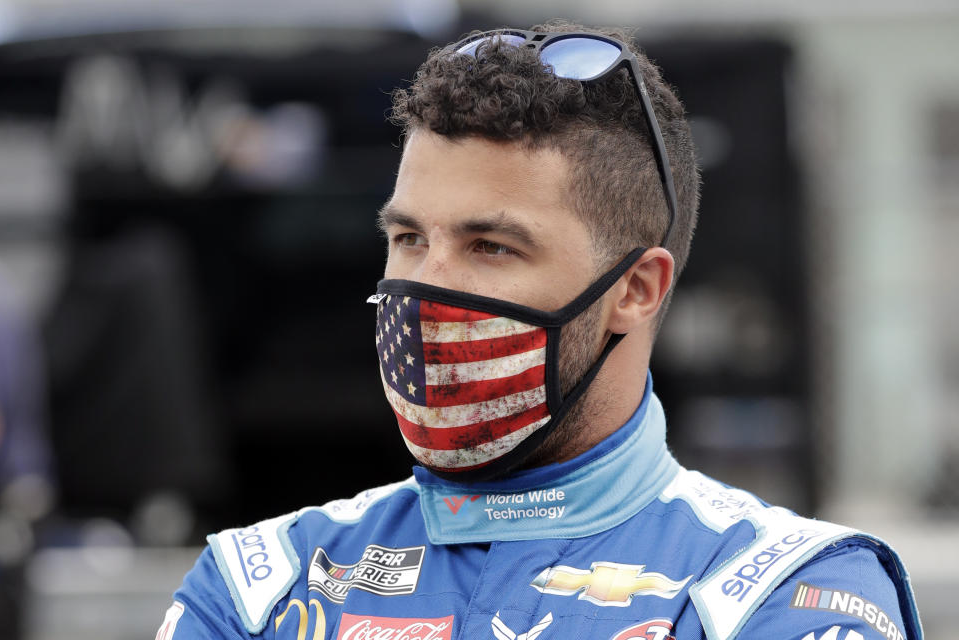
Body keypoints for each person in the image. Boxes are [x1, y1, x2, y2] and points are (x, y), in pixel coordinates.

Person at [157, 21, 922, 640]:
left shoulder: (786, 590)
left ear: (636, 289)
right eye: (410, 239)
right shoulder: (260, 584)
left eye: (490, 246)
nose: (425, 287)